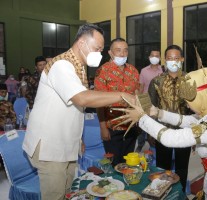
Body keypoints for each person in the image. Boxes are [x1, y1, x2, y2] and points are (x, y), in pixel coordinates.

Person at [22, 24, 134, 200]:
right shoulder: (61, 65)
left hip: (66, 143)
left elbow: (74, 110)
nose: (99, 53)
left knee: (68, 193)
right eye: (97, 48)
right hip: (50, 146)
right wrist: (122, 95)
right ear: (81, 43)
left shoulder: (78, 67)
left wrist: (78, 138)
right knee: (55, 196)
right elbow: (82, 98)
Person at [118, 67, 207, 200]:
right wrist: (157, 113)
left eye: (189, 102)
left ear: (201, 97)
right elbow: (188, 120)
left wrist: (142, 118)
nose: (188, 106)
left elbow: (171, 138)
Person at [147, 45, 191, 193]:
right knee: (162, 167)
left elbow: (193, 109)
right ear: (165, 60)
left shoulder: (189, 80)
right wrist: (150, 132)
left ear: (182, 59)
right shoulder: (156, 82)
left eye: (176, 58)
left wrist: (195, 133)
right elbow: (151, 108)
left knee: (182, 167)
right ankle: (162, 193)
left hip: (184, 131)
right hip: (162, 131)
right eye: (170, 58)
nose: (173, 61)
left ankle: (180, 194)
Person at [94, 38, 139, 167]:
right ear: (110, 53)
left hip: (131, 126)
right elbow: (99, 102)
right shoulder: (102, 71)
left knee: (130, 164)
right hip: (112, 127)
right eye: (118, 50)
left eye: (125, 50)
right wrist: (103, 128)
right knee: (114, 166)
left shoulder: (133, 71)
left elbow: (136, 97)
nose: (122, 54)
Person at [135, 50, 163, 152]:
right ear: (149, 57)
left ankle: (154, 146)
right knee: (143, 125)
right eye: (152, 55)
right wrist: (138, 103)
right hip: (145, 102)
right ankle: (140, 144)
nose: (154, 57)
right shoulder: (144, 71)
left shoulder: (163, 70)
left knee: (155, 125)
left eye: (157, 56)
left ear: (160, 58)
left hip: (158, 103)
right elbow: (141, 87)